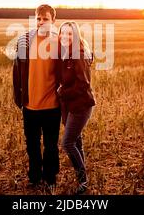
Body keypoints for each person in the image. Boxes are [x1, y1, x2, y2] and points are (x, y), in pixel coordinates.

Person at [12, 4, 61, 193]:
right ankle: (34, 176)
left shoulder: (59, 42)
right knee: (32, 144)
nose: (41, 22)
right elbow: (17, 71)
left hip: (52, 106)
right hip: (30, 105)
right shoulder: (25, 40)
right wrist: (19, 96)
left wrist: (88, 55)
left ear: (53, 21)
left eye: (45, 19)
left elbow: (76, 59)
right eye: (38, 19)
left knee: (50, 146)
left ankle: (50, 178)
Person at [57, 21, 96, 195]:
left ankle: (83, 181)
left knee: (67, 143)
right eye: (62, 33)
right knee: (76, 141)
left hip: (81, 105)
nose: (65, 37)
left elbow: (83, 86)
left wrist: (61, 92)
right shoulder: (65, 53)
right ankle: (83, 178)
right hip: (68, 105)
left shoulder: (78, 55)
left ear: (76, 36)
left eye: (69, 34)